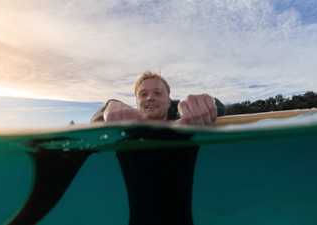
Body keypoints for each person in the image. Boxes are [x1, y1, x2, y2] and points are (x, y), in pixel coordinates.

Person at [91, 71, 226, 225]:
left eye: (157, 93)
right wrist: (111, 104)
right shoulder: (126, 133)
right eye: (143, 94)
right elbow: (95, 121)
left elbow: (220, 108)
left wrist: (203, 103)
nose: (149, 97)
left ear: (169, 102)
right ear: (136, 103)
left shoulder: (186, 126)